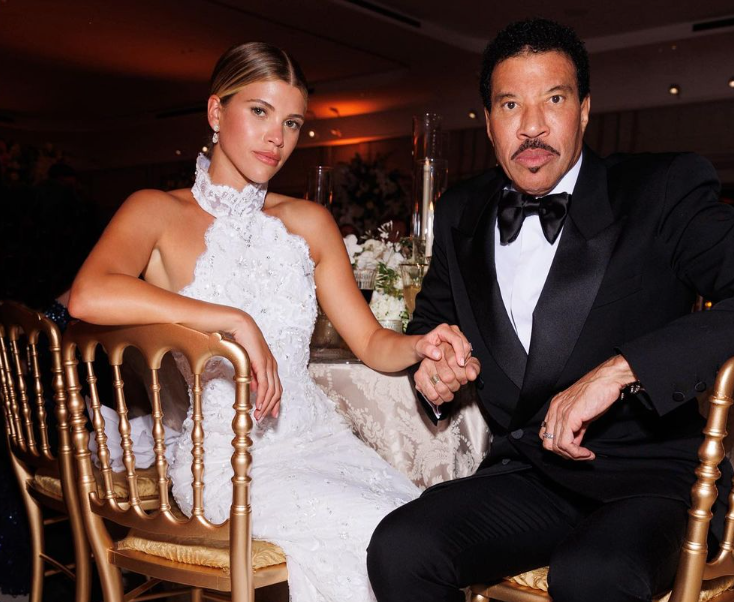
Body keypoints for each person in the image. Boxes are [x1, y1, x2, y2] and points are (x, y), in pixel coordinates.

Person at [68, 42, 472, 602]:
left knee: (420, 531)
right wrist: (232, 320)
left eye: (291, 122)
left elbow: (371, 341)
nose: (276, 137)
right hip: (229, 462)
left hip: (322, 441)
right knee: (377, 538)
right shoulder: (156, 210)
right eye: (259, 111)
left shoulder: (309, 221)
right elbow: (87, 295)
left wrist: (420, 345)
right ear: (216, 112)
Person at [367, 18, 734, 602]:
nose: (532, 125)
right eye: (510, 104)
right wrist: (434, 371)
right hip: (529, 473)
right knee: (400, 547)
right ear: (488, 122)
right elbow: (430, 327)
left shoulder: (661, 187)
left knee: (590, 575)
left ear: (584, 111)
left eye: (554, 100)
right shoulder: (461, 210)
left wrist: (623, 369)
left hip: (650, 481)